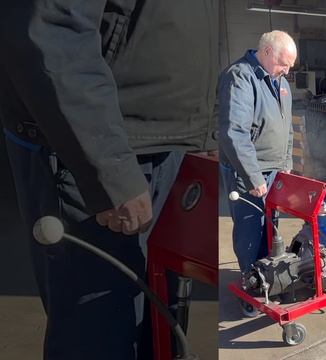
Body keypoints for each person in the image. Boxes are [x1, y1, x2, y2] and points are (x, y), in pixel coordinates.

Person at [0, 1, 216, 359]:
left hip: (168, 146)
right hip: (104, 153)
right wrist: (108, 169)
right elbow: (52, 25)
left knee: (158, 333)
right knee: (98, 340)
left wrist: (206, 132)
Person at [217, 30, 296, 279]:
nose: (287, 71)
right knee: (251, 228)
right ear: (267, 52)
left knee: (271, 228)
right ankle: (250, 282)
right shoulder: (240, 77)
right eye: (284, 64)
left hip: (274, 169)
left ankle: (267, 278)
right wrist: (253, 177)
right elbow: (235, 133)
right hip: (250, 171)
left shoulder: (280, 81)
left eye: (290, 66)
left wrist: (286, 162)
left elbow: (287, 127)